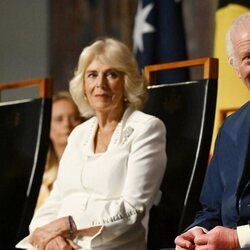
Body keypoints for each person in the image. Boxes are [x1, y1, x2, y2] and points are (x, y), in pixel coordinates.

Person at [16, 38, 167, 250]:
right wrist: (50, 237)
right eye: (92, 75)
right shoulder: (78, 133)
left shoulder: (147, 129)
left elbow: (134, 207)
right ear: (83, 84)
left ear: (127, 82)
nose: (100, 84)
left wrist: (69, 224)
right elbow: (56, 198)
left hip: (111, 244)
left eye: (112, 74)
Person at [175, 12, 250, 250]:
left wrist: (238, 239)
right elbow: (211, 209)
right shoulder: (230, 128)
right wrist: (196, 233)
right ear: (236, 68)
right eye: (248, 58)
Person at [36, 91, 84, 209]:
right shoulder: (39, 174)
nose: (67, 125)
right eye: (59, 119)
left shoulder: (89, 167)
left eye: (74, 118)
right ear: (47, 126)